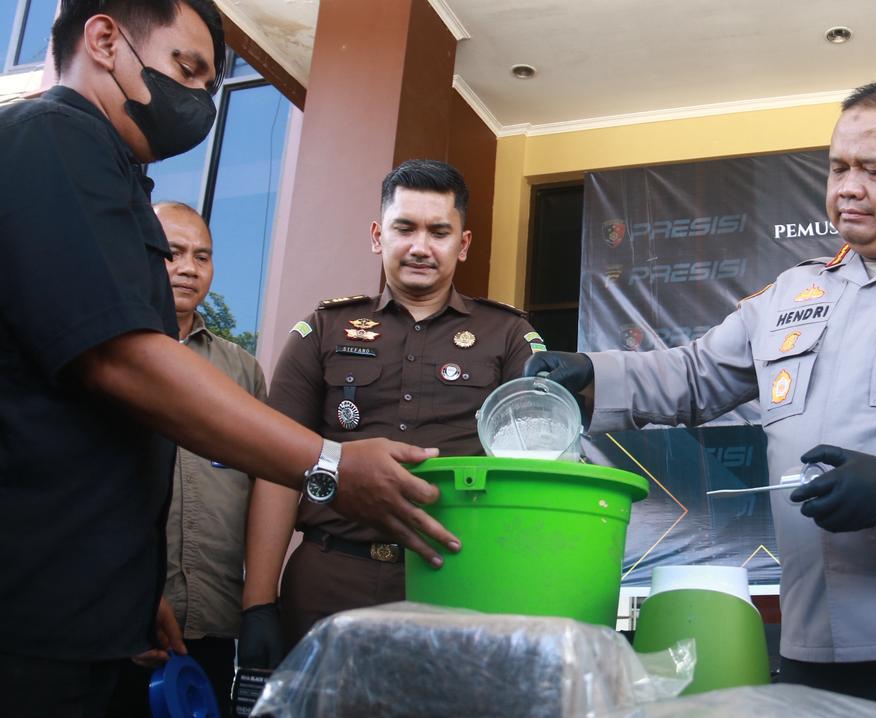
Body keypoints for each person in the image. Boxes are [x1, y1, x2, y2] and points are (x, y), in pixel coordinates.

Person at [527, 82, 876, 706]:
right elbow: (693, 373)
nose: (849, 187)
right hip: (810, 639)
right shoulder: (794, 292)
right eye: (838, 168)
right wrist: (591, 373)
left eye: (874, 170)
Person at [0, 3, 458, 714]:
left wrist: (130, 584)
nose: (198, 102)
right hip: (27, 621)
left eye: (210, 86)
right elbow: (122, 360)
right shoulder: (53, 139)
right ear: (104, 39)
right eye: (185, 69)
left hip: (87, 608)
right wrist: (331, 466)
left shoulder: (111, 174)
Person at [238, 160, 543, 668]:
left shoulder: (509, 336)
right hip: (329, 581)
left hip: (457, 582)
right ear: (379, 236)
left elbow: (535, 470)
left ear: (463, 244)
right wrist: (258, 604)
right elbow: (276, 469)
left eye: (439, 232)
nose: (421, 246)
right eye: (405, 228)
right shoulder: (324, 329)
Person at [105, 202, 265, 716]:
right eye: (172, 253)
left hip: (213, 623)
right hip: (112, 622)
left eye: (202, 256)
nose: (189, 268)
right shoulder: (105, 351)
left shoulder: (241, 371)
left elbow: (264, 486)